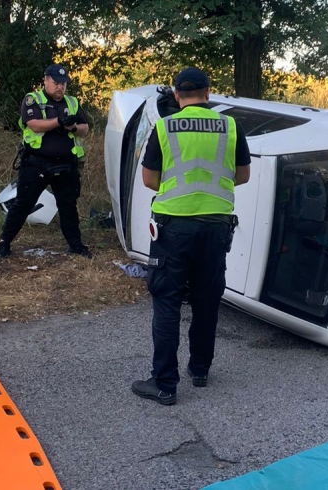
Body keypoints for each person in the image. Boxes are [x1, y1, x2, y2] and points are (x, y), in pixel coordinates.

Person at [131, 67, 251, 406]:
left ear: (177, 95)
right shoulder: (230, 126)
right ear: (208, 93)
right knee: (206, 298)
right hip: (215, 226)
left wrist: (177, 187)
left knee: (167, 299)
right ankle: (200, 370)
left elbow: (149, 180)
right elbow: (241, 176)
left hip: (173, 227)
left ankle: (165, 383)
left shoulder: (164, 127)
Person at [0, 63, 91, 258]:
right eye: (56, 83)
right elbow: (34, 125)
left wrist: (72, 127)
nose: (60, 87)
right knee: (23, 204)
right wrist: (59, 122)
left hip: (65, 163)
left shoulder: (72, 102)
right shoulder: (33, 100)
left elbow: (85, 128)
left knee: (68, 206)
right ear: (45, 80)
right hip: (37, 163)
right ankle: (4, 244)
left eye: (63, 84)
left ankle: (76, 245)